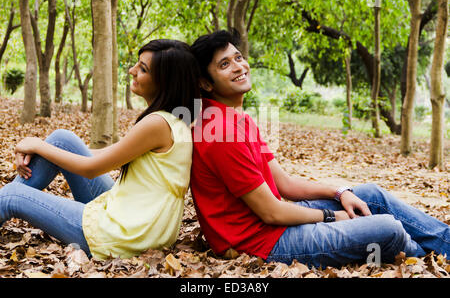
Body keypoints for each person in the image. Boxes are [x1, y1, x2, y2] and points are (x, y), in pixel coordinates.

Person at [189, 29, 450, 268]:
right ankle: (428, 263)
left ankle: (447, 246)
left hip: (272, 226)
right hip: (260, 243)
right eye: (225, 64)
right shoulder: (221, 131)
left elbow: (285, 185)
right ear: (206, 83)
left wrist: (340, 192)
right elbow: (271, 212)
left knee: (370, 196)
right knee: (388, 229)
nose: (239, 66)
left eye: (238, 57)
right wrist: (331, 216)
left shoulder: (237, 119)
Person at [1, 39, 201, 260]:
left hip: (126, 234)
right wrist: (43, 148)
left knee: (11, 195)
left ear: (165, 82)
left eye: (143, 69)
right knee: (61, 140)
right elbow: (107, 156)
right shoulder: (176, 120)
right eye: (137, 63)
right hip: (135, 219)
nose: (132, 70)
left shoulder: (157, 124)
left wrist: (37, 145)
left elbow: (91, 169)